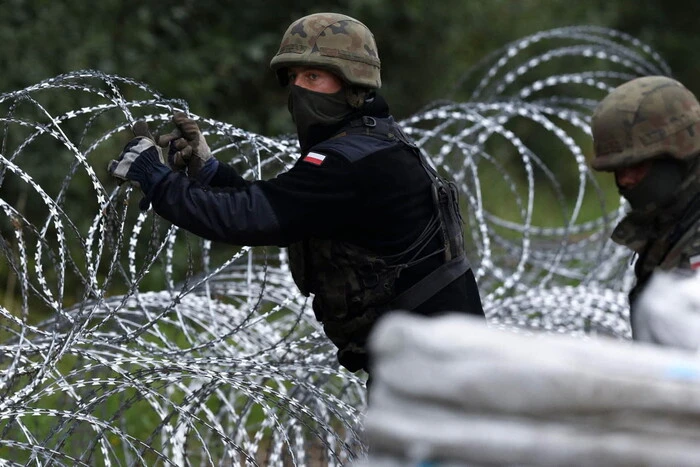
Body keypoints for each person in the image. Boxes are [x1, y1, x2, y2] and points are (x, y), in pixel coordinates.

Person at [108, 12, 485, 376]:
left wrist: (154, 176)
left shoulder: (351, 162)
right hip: (436, 360)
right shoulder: (374, 144)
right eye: (294, 78)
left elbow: (250, 218)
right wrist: (208, 170)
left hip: (434, 372)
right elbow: (285, 207)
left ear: (354, 82)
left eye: (314, 75)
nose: (299, 89)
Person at [590, 75, 700, 337]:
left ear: (679, 152)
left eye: (637, 166)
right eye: (617, 170)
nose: (625, 180)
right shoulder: (670, 219)